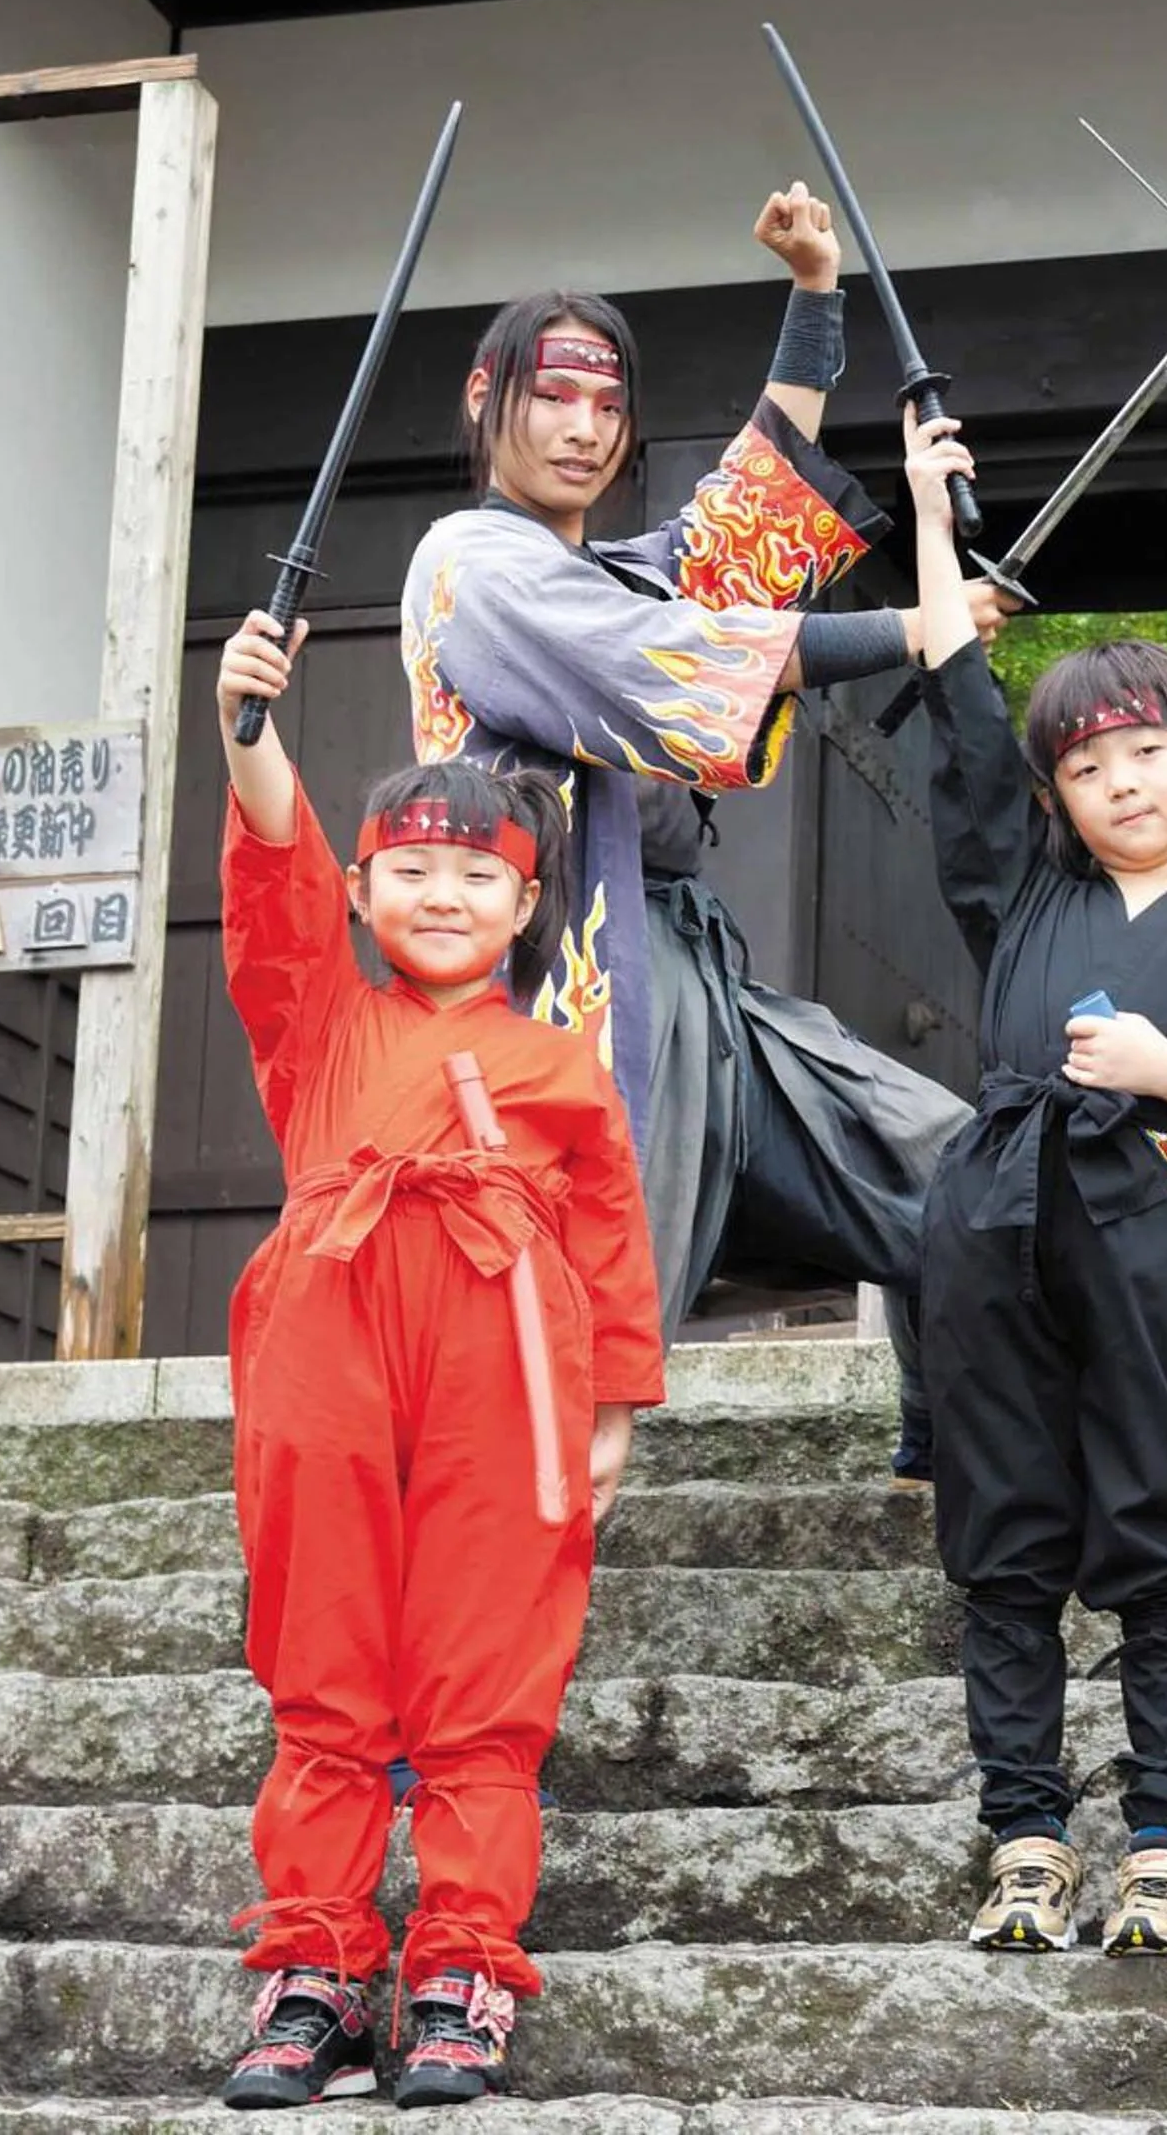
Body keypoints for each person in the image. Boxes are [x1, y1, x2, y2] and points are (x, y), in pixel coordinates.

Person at [400, 184, 984, 1484]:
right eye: (551, 396)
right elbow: (673, 649)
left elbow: (741, 524)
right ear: (483, 398)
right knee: (562, 1366)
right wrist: (908, 632)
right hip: (575, 997)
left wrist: (816, 301)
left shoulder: (612, 568)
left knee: (955, 1168)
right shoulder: (468, 567)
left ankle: (954, 1445)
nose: (581, 428)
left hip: (699, 979)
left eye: (608, 406)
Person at [209, 614, 661, 2110]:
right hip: (324, 1341)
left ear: (529, 905)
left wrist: (610, 1400)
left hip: (508, 1365)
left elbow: (606, 1228)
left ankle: (462, 1966)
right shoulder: (318, 1018)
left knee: (484, 1674)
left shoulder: (562, 1064)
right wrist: (246, 727)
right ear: (367, 888)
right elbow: (271, 887)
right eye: (411, 869)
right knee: (325, 1662)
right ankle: (318, 1971)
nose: (447, 893)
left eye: (483, 875)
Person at [898, 408, 1167, 1958]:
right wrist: (930, 515)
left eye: (1147, 751)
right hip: (1000, 1238)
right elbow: (956, 698)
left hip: (1160, 1259)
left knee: (1162, 1548)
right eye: (1088, 763)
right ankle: (1024, 1838)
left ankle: (1164, 1846)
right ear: (1061, 794)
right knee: (1005, 1547)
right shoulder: (1021, 894)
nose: (1121, 781)